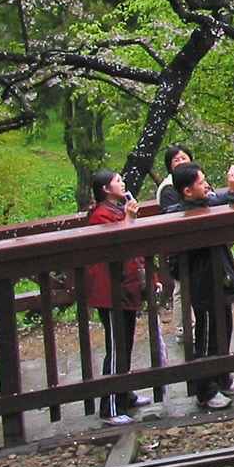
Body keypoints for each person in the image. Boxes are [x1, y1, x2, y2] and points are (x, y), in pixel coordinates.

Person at [165, 162, 234, 410]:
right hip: (203, 285)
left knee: (224, 330)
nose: (207, 185)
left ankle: (222, 376)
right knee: (207, 336)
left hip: (219, 279)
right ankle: (205, 390)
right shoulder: (181, 214)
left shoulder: (206, 204)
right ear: (187, 191)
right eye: (201, 182)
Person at [81, 170, 152, 424]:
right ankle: (109, 408)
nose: (123, 183)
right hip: (111, 292)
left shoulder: (118, 211)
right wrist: (130, 220)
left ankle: (125, 394)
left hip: (126, 288)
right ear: (105, 189)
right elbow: (116, 245)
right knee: (116, 347)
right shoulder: (100, 216)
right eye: (118, 180)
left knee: (126, 345)